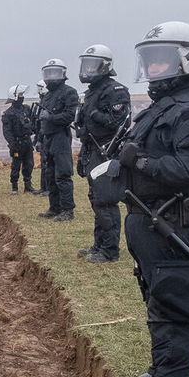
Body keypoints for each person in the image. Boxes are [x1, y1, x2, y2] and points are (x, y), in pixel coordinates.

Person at [108, 22, 189, 377]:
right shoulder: (164, 106)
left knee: (173, 302)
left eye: (162, 60)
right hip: (149, 219)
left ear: (188, 58)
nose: (154, 67)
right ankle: (162, 372)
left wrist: (138, 160)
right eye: (149, 60)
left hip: (172, 220)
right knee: (157, 296)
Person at [74, 44, 134, 262]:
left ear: (105, 66)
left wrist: (94, 115)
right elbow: (85, 122)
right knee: (96, 199)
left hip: (107, 151)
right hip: (92, 149)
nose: (88, 70)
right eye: (86, 65)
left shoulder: (115, 90)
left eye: (92, 65)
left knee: (105, 199)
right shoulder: (92, 93)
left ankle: (109, 251)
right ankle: (99, 245)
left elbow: (116, 122)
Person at [35, 59, 78, 221]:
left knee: (63, 175)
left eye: (54, 73)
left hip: (61, 137)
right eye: (48, 73)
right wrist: (40, 139)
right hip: (48, 138)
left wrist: (51, 118)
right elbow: (42, 121)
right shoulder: (48, 96)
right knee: (50, 174)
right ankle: (54, 207)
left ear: (63, 74)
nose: (51, 77)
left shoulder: (69, 92)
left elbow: (69, 116)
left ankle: (68, 210)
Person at [1, 84, 37, 193]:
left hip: (27, 141)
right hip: (16, 143)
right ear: (15, 97)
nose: (22, 97)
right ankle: (15, 187)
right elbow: (7, 131)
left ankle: (28, 185)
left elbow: (33, 122)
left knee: (29, 164)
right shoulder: (8, 114)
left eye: (22, 94)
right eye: (20, 95)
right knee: (16, 165)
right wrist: (12, 144)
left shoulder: (26, 109)